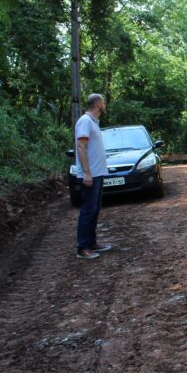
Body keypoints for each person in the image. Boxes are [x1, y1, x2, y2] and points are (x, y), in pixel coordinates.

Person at [75, 94, 112, 259]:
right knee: (88, 211)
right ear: (98, 104)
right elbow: (81, 147)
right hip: (90, 175)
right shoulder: (85, 121)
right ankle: (82, 248)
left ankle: (91, 242)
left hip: (97, 174)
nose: (104, 105)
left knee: (94, 209)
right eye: (103, 102)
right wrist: (87, 172)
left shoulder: (94, 122)